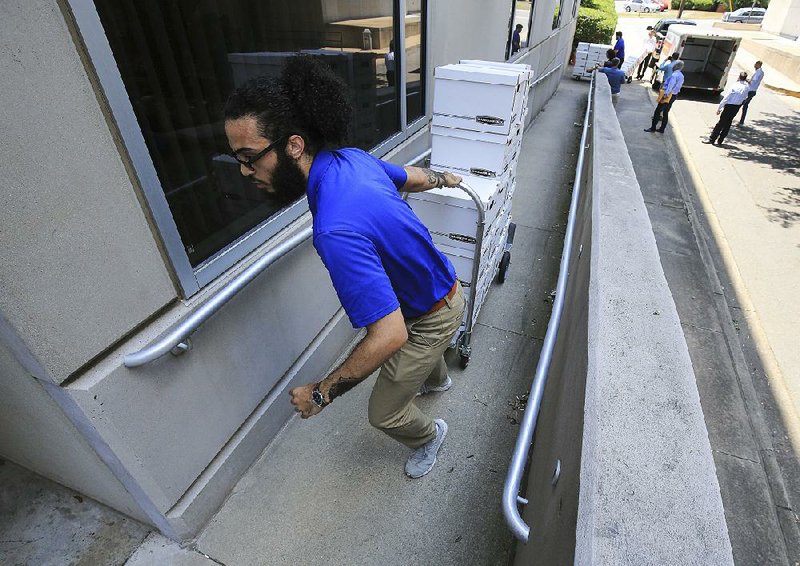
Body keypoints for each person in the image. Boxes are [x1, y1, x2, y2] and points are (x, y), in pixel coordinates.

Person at [223, 57, 466, 479]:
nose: (245, 171)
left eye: (249, 157)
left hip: (429, 314)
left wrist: (321, 393)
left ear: (294, 146)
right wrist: (442, 177)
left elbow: (389, 336)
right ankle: (436, 380)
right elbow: (409, 176)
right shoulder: (351, 160)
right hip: (439, 286)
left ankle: (431, 435)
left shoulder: (335, 229)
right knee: (422, 341)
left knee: (384, 413)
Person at [704, 71, 750, 146]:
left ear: (739, 77)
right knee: (728, 123)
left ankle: (712, 139)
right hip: (736, 107)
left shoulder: (735, 85)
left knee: (720, 123)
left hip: (729, 106)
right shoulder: (747, 87)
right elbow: (745, 97)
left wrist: (719, 108)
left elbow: (726, 98)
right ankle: (720, 140)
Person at [645, 60, 685, 133]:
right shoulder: (681, 75)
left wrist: (665, 95)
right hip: (674, 95)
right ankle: (662, 129)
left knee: (658, 111)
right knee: (666, 112)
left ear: (675, 66)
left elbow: (670, 86)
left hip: (668, 95)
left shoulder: (674, 75)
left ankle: (653, 128)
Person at [738, 60, 764, 126]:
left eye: (755, 64)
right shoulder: (761, 72)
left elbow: (752, 82)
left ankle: (736, 120)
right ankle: (741, 121)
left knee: (740, 104)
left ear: (758, 65)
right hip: (753, 91)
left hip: (750, 91)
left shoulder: (758, 72)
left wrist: (744, 79)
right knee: (745, 106)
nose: (754, 65)